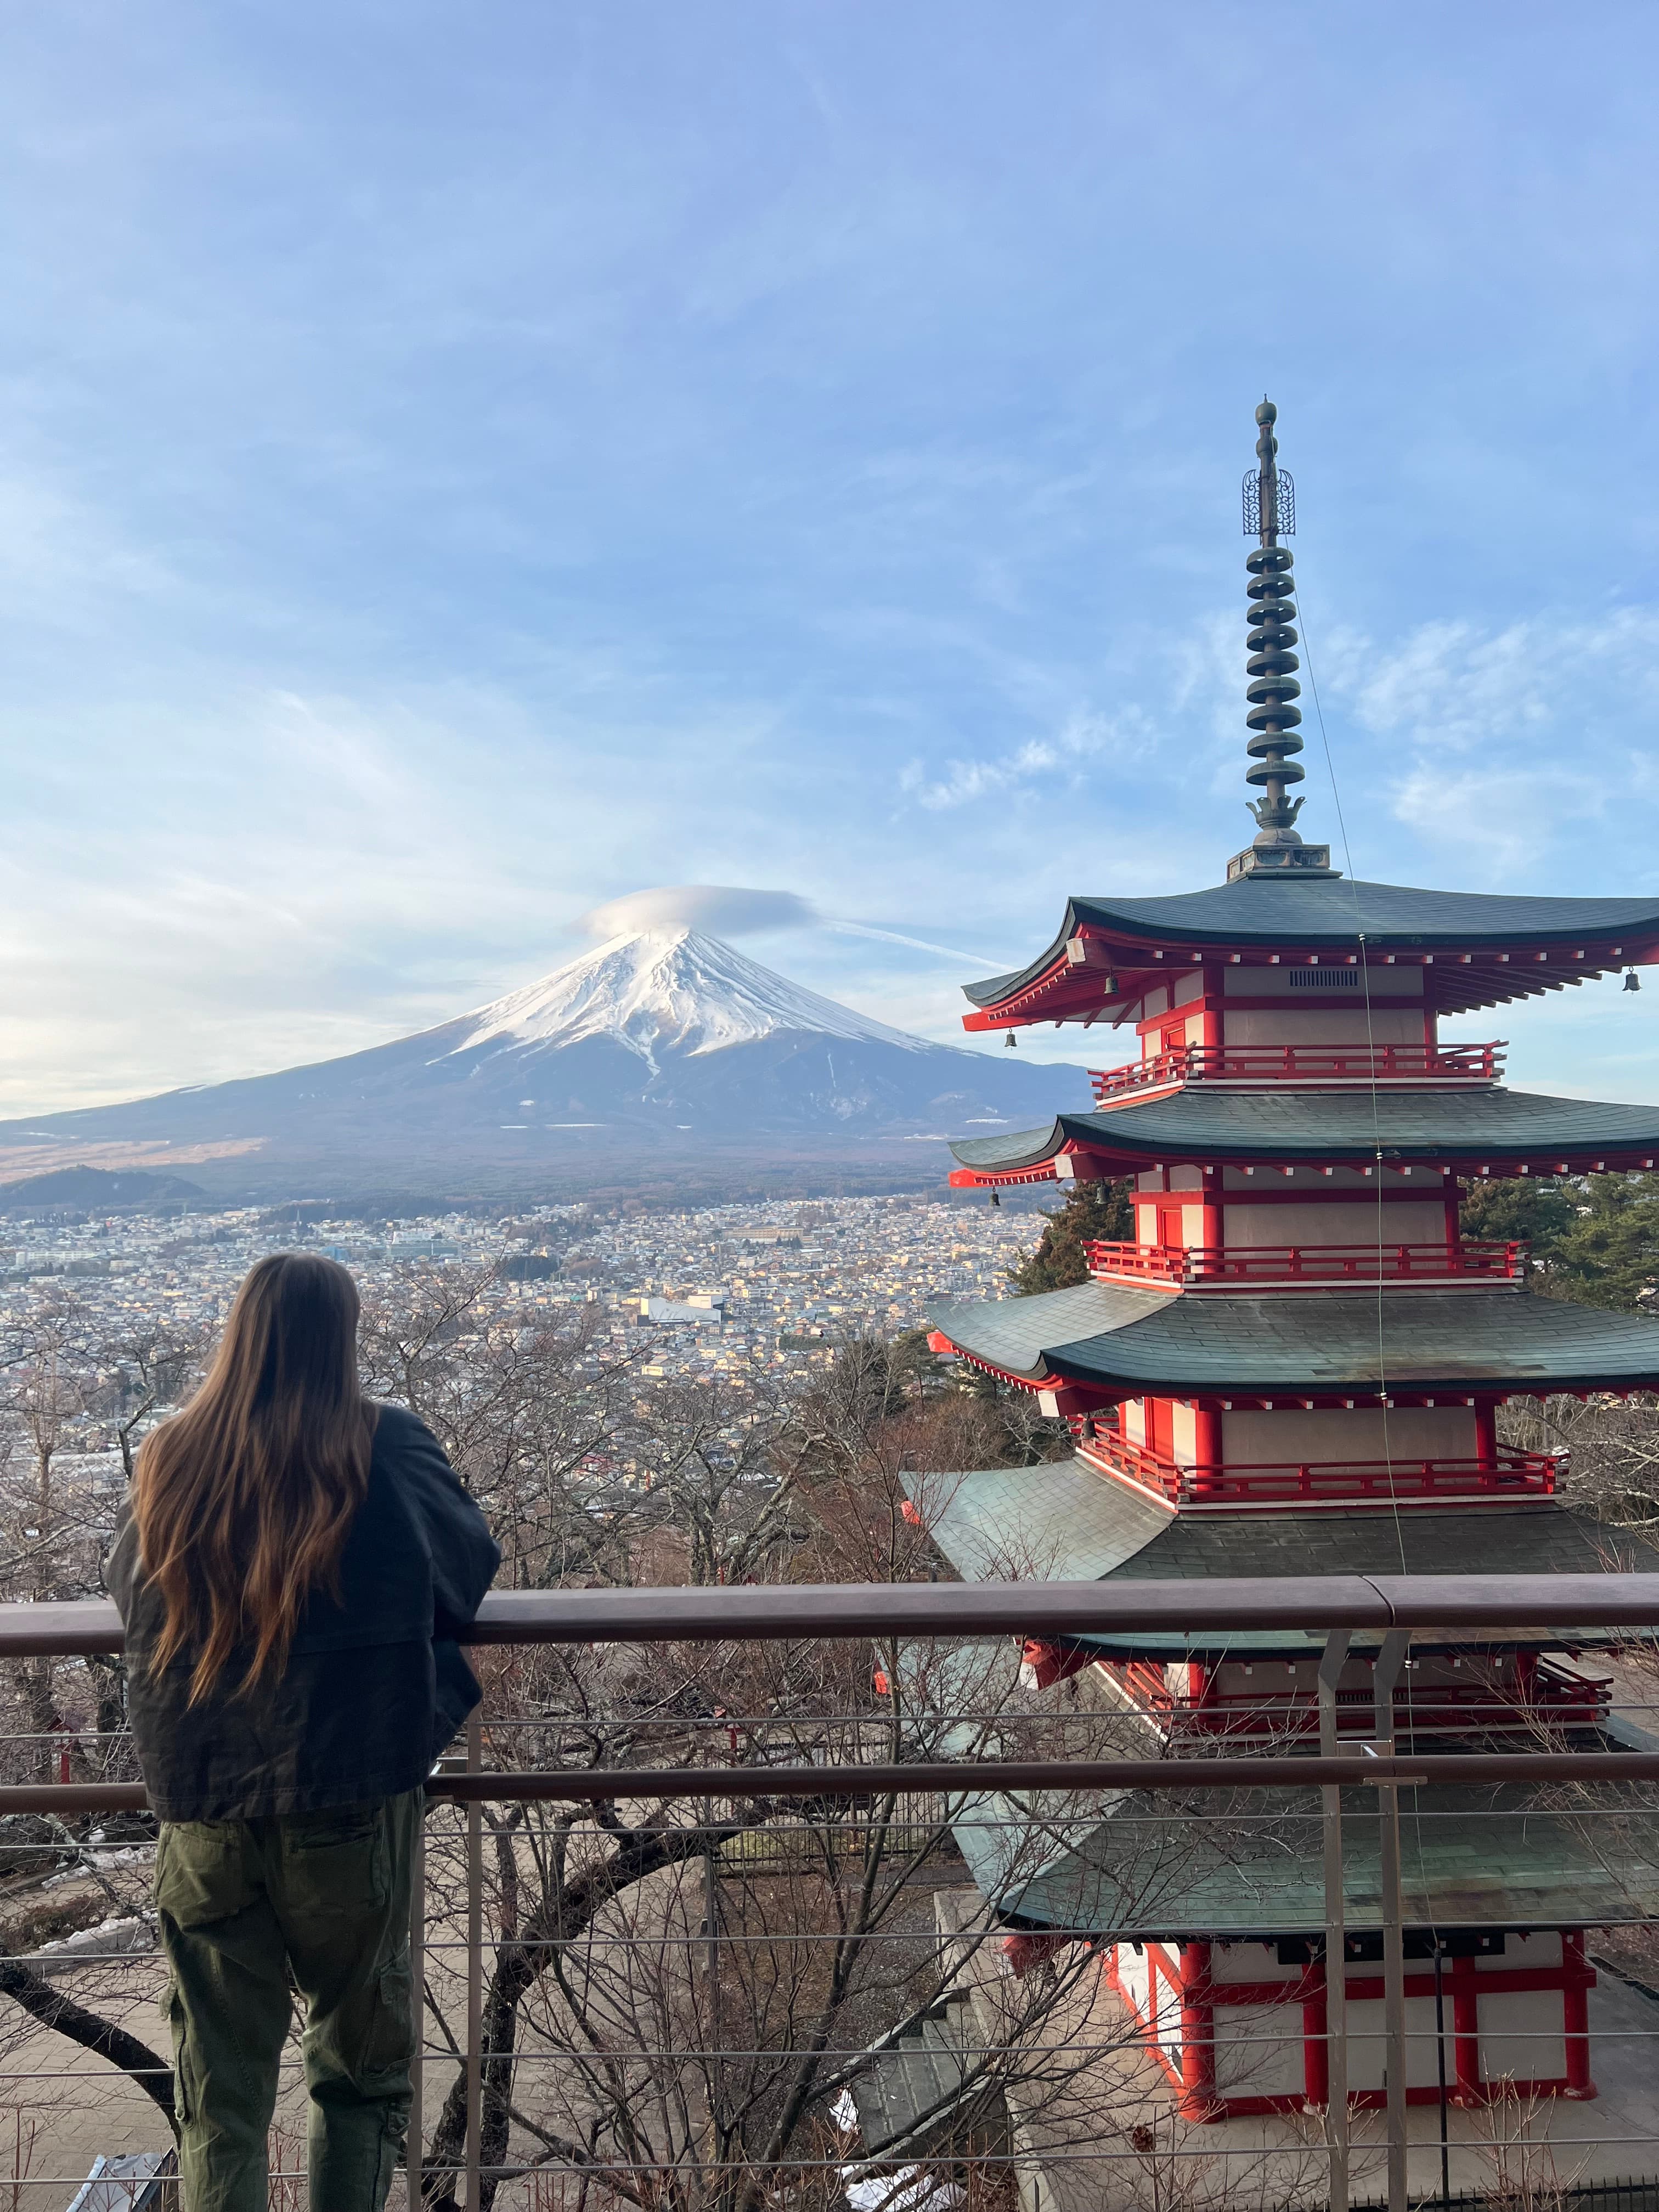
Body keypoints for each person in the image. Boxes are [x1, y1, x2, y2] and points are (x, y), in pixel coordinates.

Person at [109, 1252, 500, 2212]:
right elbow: (465, 1570)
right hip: (351, 1790)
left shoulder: (170, 1455)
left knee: (221, 2089)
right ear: (343, 1339)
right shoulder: (384, 1445)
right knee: (359, 2073)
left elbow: (132, 1592)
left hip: (202, 1802)